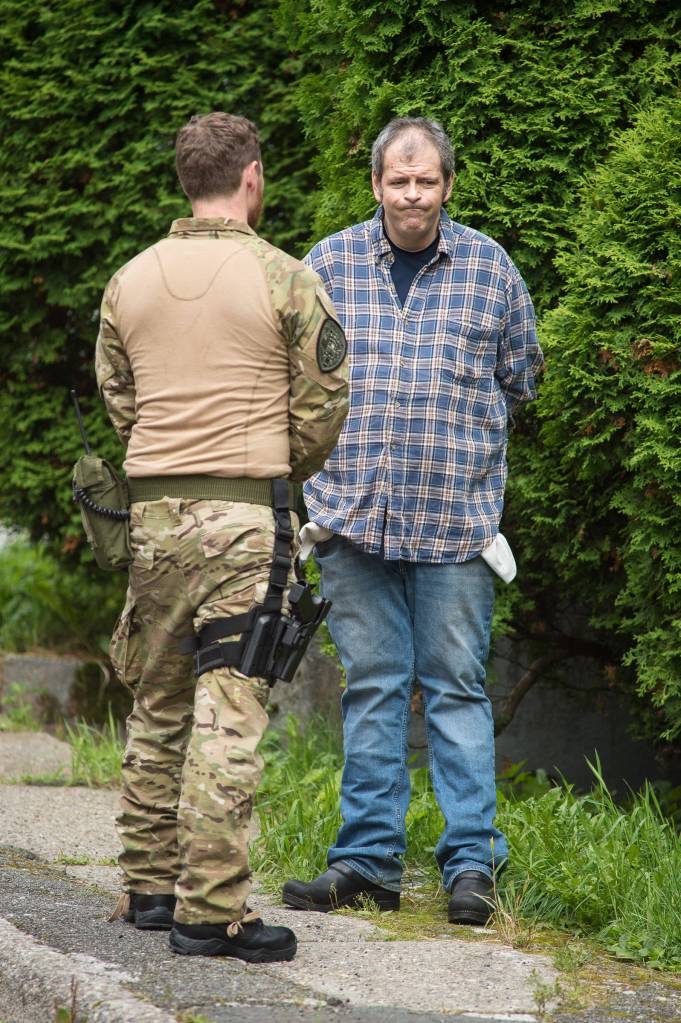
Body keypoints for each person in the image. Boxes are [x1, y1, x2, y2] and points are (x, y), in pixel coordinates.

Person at [96, 112, 348, 961]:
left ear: (184, 181)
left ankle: (149, 888)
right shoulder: (284, 276)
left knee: (157, 702)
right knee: (228, 711)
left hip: (152, 519)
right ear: (251, 179)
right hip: (245, 521)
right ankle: (212, 912)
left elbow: (119, 396)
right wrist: (280, 470)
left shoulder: (127, 280)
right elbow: (322, 402)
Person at [282, 116, 543, 925]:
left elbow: (521, 379)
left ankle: (471, 865)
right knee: (371, 689)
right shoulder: (325, 265)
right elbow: (294, 381)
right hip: (352, 524)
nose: (411, 194)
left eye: (425, 180)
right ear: (375, 186)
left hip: (454, 529)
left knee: (458, 691)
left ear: (447, 185)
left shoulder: (491, 271)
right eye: (398, 181)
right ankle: (366, 861)